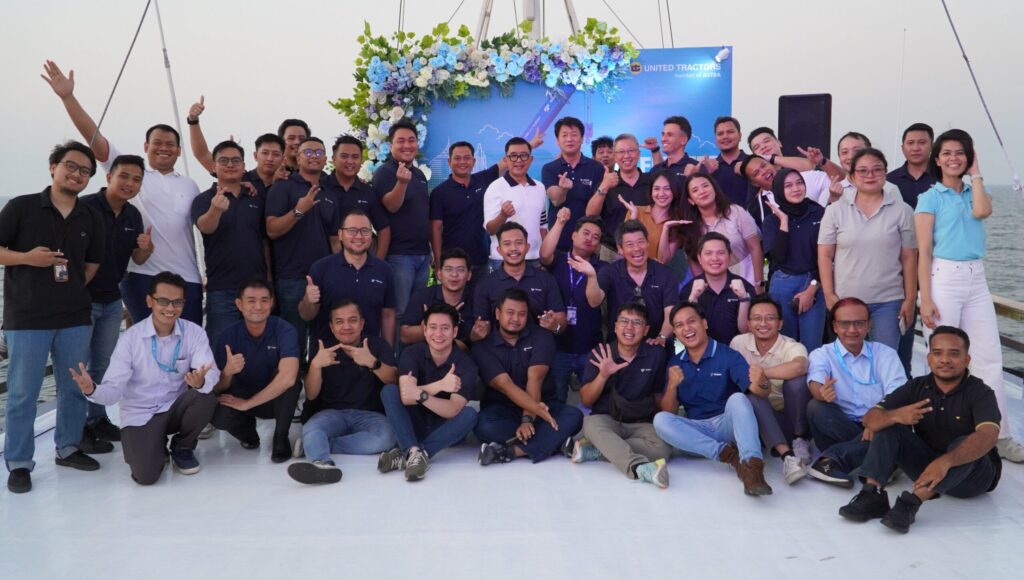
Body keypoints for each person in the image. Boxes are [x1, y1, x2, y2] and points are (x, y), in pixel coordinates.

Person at [42, 60, 205, 324]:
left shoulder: (191, 185)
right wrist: (68, 97)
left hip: (188, 277)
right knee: (145, 341)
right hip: (142, 275)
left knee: (189, 340)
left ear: (179, 150)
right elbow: (94, 138)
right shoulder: (133, 174)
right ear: (146, 147)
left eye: (170, 144)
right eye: (157, 143)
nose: (163, 148)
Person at [1, 141, 105, 493]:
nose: (77, 174)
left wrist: (71, 287)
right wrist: (27, 258)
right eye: (70, 166)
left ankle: (68, 447)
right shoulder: (21, 207)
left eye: (85, 171)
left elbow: (92, 264)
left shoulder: (90, 216)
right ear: (53, 167)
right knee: (22, 393)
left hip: (74, 316)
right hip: (27, 316)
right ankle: (19, 462)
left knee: (74, 387)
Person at [915, 129, 1024, 462]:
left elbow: (982, 211)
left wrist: (975, 173)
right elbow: (923, 252)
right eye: (947, 153)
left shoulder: (976, 192)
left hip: (976, 278)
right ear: (937, 159)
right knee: (941, 357)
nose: (953, 158)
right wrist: (926, 298)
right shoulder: (929, 197)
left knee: (988, 357)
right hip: (943, 277)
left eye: (960, 152)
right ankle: (937, 433)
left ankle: (999, 435)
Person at [836, 326, 1001, 533]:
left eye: (954, 354)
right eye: (937, 353)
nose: (945, 360)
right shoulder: (917, 386)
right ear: (929, 358)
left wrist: (946, 461)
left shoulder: (980, 392)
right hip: (928, 466)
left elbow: (988, 435)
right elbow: (871, 418)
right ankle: (872, 494)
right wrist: (896, 415)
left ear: (966, 360)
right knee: (888, 424)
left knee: (967, 442)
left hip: (973, 478)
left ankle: (910, 503)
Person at [70, 272, 220, 485]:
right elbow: (114, 390)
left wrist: (201, 381)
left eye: (177, 302)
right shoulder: (130, 339)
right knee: (146, 476)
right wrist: (92, 389)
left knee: (205, 396)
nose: (170, 308)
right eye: (163, 301)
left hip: (174, 408)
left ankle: (182, 446)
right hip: (140, 414)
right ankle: (156, 445)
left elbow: (210, 371)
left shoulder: (194, 332)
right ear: (150, 301)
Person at [653, 302, 772, 496]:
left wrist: (763, 382)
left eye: (691, 321)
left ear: (704, 323)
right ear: (675, 332)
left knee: (738, 398)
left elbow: (758, 390)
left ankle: (752, 468)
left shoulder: (728, 355)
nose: (687, 328)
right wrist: (672, 386)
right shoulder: (675, 361)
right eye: (680, 325)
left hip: (727, 425)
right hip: (697, 434)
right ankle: (730, 457)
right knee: (660, 420)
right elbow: (669, 412)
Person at [79, 154, 152, 452]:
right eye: (124, 176)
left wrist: (147, 248)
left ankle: (97, 419)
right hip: (81, 300)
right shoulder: (85, 207)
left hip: (112, 299)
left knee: (102, 364)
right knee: (77, 366)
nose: (129, 183)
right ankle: (77, 429)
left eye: (136, 180)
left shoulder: (133, 215)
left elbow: (138, 259)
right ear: (109, 176)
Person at [818, 148, 917, 354]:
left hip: (888, 302)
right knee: (849, 361)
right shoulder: (835, 211)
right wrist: (829, 294)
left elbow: (909, 258)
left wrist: (909, 299)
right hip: (846, 301)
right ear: (852, 176)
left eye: (876, 170)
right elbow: (825, 256)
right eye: (862, 171)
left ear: (885, 173)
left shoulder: (903, 210)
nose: (870, 175)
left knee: (885, 360)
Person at [288, 300, 398, 485]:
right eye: (339, 322)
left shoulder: (377, 345)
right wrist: (315, 366)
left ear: (361, 323)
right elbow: (312, 394)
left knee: (387, 438)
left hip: (370, 415)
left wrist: (373, 363)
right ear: (332, 327)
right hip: (331, 413)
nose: (346, 326)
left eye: (352, 320)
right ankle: (322, 463)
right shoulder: (323, 347)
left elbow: (394, 380)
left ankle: (323, 444)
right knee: (313, 429)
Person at [472, 289, 583, 465]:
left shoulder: (542, 336)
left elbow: (535, 379)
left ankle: (512, 451)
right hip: (504, 409)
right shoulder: (482, 346)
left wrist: (528, 418)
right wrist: (533, 413)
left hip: (543, 405)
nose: (515, 319)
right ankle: (553, 442)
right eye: (510, 313)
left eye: (521, 314)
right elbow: (505, 385)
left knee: (574, 416)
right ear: (498, 314)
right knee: (482, 426)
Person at [804, 298, 908, 487]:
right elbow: (815, 383)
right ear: (835, 326)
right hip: (840, 426)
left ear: (869, 325)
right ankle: (882, 460)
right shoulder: (822, 354)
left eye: (859, 323)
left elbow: (898, 395)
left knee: (893, 423)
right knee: (816, 407)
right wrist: (821, 392)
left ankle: (830, 462)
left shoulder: (886, 354)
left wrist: (875, 421)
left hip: (879, 424)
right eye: (844, 323)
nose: (852, 330)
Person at [571, 302, 672, 488]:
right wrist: (603, 375)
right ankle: (639, 468)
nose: (629, 327)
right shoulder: (600, 353)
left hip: (640, 423)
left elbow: (658, 397)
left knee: (663, 447)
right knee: (590, 424)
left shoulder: (656, 354)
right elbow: (586, 400)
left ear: (646, 329)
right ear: (615, 326)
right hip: (606, 419)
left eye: (637, 322)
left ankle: (598, 449)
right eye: (624, 321)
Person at [378, 303, 479, 481]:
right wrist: (440, 385)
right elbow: (405, 397)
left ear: (455, 331)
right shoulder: (411, 353)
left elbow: (453, 409)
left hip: (444, 428)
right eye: (433, 327)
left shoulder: (466, 364)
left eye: (445, 328)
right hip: (411, 424)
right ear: (424, 330)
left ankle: (408, 453)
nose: (438, 334)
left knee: (470, 414)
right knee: (389, 391)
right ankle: (415, 452)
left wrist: (419, 394)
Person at [211, 279, 300, 463]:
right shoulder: (227, 336)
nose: (258, 306)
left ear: (271, 302)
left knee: (292, 384)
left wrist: (248, 403)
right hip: (242, 395)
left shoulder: (285, 330)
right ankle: (248, 434)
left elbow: (288, 378)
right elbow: (217, 388)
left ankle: (281, 437)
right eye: (251, 300)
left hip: (274, 399)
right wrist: (227, 372)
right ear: (239, 304)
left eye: (264, 300)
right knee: (218, 414)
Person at [191, 140, 270, 343]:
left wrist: (269, 282)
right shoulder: (204, 199)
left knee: (257, 347)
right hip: (222, 289)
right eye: (224, 161)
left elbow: (264, 243)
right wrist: (215, 210)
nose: (230, 165)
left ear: (244, 166)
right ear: (213, 166)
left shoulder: (256, 197)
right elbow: (205, 227)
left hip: (257, 289)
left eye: (236, 160)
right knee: (220, 348)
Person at [265, 136, 336, 362]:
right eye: (308, 152)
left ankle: (315, 382)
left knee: (323, 338)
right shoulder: (282, 187)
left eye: (319, 152)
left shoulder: (329, 192)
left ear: (325, 158)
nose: (314, 156)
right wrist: (298, 211)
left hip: (325, 277)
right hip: (292, 277)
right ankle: (291, 382)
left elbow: (335, 239)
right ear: (297, 156)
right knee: (292, 342)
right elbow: (272, 229)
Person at [730, 296, 812, 484]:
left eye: (770, 318)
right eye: (757, 318)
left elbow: (800, 366)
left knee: (798, 381)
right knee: (751, 393)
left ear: (780, 323)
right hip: (758, 419)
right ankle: (788, 457)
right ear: (748, 324)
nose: (763, 323)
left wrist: (763, 374)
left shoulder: (791, 346)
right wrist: (758, 381)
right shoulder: (738, 343)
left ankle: (799, 439)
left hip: (789, 418)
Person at [300, 210, 397, 346]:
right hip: (328, 352)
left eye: (365, 231)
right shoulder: (321, 268)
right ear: (340, 234)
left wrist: (388, 352)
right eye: (352, 230)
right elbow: (306, 315)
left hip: (369, 352)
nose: (359, 236)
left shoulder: (384, 270)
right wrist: (308, 300)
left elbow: (387, 315)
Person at [540, 209, 605, 402]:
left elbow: (596, 301)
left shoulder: (603, 268)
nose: (590, 239)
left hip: (590, 346)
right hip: (559, 346)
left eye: (596, 237)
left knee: (592, 399)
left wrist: (591, 275)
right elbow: (544, 254)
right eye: (586, 233)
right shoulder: (559, 259)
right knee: (557, 398)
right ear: (573, 235)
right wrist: (560, 222)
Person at [373, 119, 432, 329]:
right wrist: (401, 183)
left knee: (418, 312)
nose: (407, 145)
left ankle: (413, 351)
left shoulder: (419, 174)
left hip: (423, 255)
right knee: (400, 313)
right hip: (399, 256)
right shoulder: (385, 172)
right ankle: (396, 350)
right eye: (401, 141)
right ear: (391, 146)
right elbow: (391, 206)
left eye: (411, 140)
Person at [579, 220, 679, 343]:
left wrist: (662, 337)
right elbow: (594, 301)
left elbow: (671, 313)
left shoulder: (666, 274)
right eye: (630, 244)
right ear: (620, 249)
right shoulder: (610, 272)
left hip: (656, 345)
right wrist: (591, 277)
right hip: (619, 345)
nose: (637, 248)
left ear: (647, 243)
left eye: (641, 242)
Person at [761, 168, 826, 352]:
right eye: (788, 186)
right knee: (784, 346)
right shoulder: (772, 221)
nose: (796, 189)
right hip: (783, 283)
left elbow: (827, 256)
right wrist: (784, 221)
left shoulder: (818, 213)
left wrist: (812, 288)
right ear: (779, 191)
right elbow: (779, 257)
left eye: (799, 183)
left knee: (812, 347)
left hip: (814, 282)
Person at [471, 222, 565, 340]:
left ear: (527, 247)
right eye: (507, 244)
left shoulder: (546, 279)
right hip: (499, 349)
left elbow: (561, 322)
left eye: (519, 243)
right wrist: (477, 334)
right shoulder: (485, 284)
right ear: (499, 250)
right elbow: (480, 328)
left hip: (540, 347)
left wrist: (555, 326)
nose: (513, 248)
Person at [184, 96, 289, 197]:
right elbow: (202, 154)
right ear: (255, 155)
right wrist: (193, 121)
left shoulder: (289, 180)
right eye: (265, 153)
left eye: (276, 154)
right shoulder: (238, 175)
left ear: (283, 158)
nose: (270, 158)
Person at [672, 172, 763, 287]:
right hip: (714, 286)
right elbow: (695, 264)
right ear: (691, 200)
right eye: (695, 190)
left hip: (748, 278)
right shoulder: (690, 227)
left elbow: (755, 248)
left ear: (715, 190)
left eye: (705, 186)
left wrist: (759, 283)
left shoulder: (736, 212)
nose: (702, 191)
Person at [429, 141, 501, 281]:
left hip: (481, 261)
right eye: (457, 158)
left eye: (467, 158)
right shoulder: (439, 192)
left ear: (474, 161)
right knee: (453, 296)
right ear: (449, 162)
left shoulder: (482, 179)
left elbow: (506, 161)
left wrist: (532, 144)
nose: (462, 162)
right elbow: (435, 229)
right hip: (453, 264)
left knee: (481, 295)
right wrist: (438, 263)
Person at [678, 233, 756, 345]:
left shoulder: (745, 287)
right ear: (699, 258)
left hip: (738, 351)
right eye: (708, 253)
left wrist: (744, 298)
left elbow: (748, 331)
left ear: (729, 256)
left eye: (721, 253)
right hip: (702, 351)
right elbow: (686, 332)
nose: (714, 258)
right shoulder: (688, 290)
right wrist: (693, 298)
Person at [584, 133, 652, 262]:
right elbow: (590, 215)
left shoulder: (652, 181)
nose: (626, 156)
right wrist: (604, 187)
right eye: (621, 152)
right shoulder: (606, 183)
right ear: (615, 156)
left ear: (638, 154)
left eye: (631, 151)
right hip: (611, 253)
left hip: (646, 251)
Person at [483, 137, 548, 270]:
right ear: (506, 160)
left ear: (531, 159)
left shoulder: (540, 187)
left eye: (524, 155)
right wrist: (503, 215)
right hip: (503, 260)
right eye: (513, 156)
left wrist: (545, 257)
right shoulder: (495, 187)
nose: (519, 160)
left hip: (535, 259)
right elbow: (490, 230)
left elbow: (542, 226)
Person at [542, 116, 606, 251]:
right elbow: (555, 201)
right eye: (564, 135)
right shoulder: (549, 168)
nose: (569, 139)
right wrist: (563, 189)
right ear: (557, 141)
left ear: (582, 139)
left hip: (589, 243)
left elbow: (598, 206)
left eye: (574, 135)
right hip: (559, 240)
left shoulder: (596, 168)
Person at [322, 135, 390, 259]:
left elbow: (383, 230)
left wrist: (378, 263)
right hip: (323, 262)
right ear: (334, 159)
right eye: (344, 156)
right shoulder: (320, 188)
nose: (350, 161)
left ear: (361, 161)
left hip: (360, 263)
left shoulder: (368, 192)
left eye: (355, 157)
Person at [746, 126, 841, 210]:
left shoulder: (809, 174)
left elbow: (842, 181)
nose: (763, 147)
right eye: (757, 147)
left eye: (766, 141)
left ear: (779, 142)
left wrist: (822, 161)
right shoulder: (760, 200)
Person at [401, 248, 475, 349]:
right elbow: (404, 336)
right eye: (448, 269)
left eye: (460, 270)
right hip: (426, 354)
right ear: (439, 274)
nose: (454, 275)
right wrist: (430, 327)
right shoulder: (423, 296)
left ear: (469, 275)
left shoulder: (476, 298)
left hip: (463, 355)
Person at [831, 132, 901, 204]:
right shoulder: (832, 191)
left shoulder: (889, 189)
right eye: (844, 152)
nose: (851, 157)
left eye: (857, 151)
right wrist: (834, 198)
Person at [709, 116, 756, 206]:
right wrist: (705, 173)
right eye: (720, 134)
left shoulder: (753, 162)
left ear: (740, 136)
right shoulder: (708, 169)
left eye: (730, 132)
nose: (725, 136)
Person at [888, 123, 936, 210]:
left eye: (922, 142)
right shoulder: (889, 180)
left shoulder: (943, 177)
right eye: (910, 143)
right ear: (903, 148)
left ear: (932, 146)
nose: (915, 148)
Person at [649, 115, 700, 180]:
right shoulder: (656, 170)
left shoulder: (696, 169)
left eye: (670, 135)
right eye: (663, 134)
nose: (663, 139)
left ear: (683, 140)